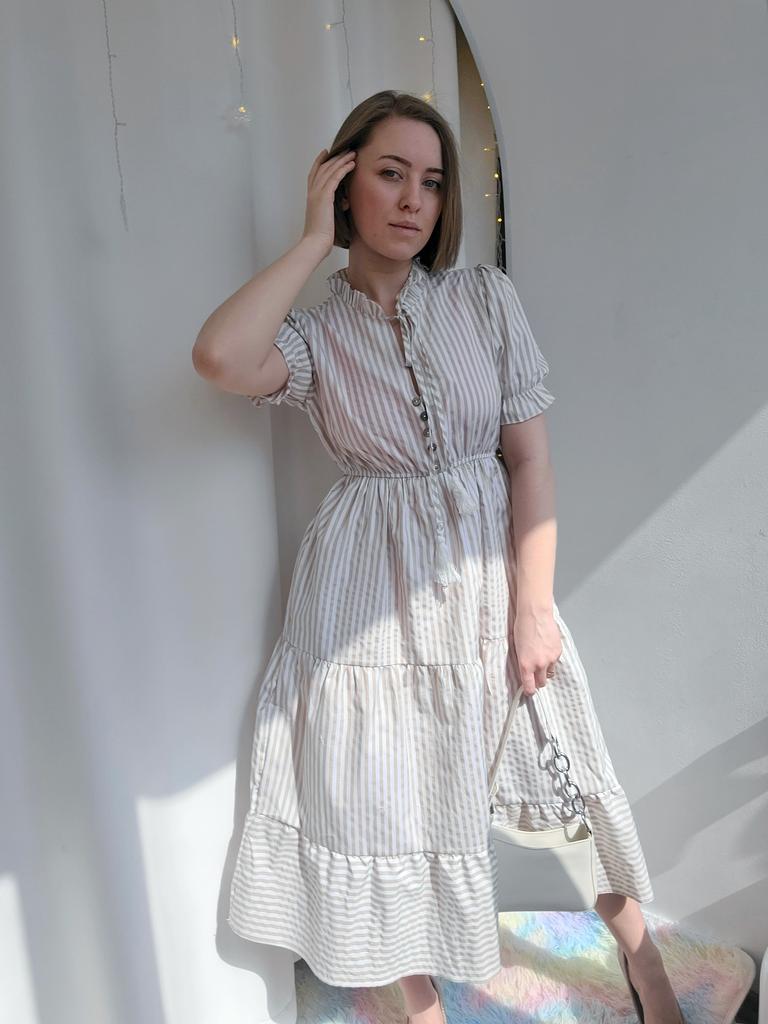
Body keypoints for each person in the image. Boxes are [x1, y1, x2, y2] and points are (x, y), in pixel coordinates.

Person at [192, 90, 684, 1024]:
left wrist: (532, 607)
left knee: (561, 768)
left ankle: (645, 960)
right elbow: (219, 357)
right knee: (384, 795)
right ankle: (419, 1003)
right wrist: (311, 242)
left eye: (432, 180)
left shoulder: (483, 299)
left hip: (488, 580)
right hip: (363, 597)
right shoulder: (314, 336)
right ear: (343, 183)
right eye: (389, 174)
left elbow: (529, 459)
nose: (414, 199)